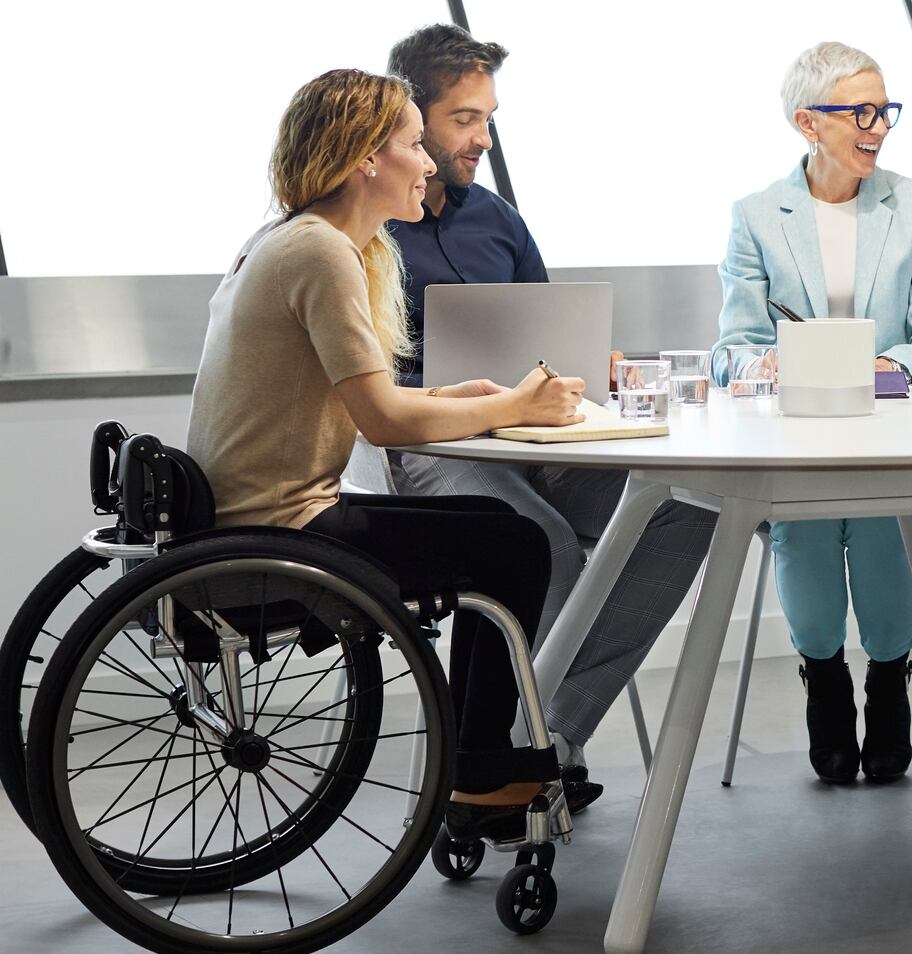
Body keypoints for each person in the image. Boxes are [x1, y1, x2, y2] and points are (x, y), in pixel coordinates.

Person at [186, 69, 584, 841]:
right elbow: (383, 420)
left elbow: (366, 405)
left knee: (492, 532)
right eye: (412, 145)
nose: (429, 163)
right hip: (283, 529)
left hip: (252, 516)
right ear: (367, 157)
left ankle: (477, 760)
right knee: (515, 543)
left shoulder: (287, 240)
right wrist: (515, 406)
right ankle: (479, 765)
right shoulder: (321, 252)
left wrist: (464, 399)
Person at [383, 24, 718, 810]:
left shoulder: (496, 217)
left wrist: (587, 369)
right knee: (539, 542)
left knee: (685, 507)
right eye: (465, 118)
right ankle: (491, 756)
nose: (483, 137)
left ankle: (551, 734)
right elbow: (372, 390)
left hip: (532, 431)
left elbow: (545, 329)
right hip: (435, 441)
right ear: (412, 116)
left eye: (488, 118)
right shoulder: (366, 224)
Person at [713, 41, 912, 783]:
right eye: (858, 111)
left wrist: (892, 364)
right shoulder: (757, 215)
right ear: (806, 123)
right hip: (797, 430)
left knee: (886, 541)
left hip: (888, 426)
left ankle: (889, 682)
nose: (877, 126)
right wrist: (762, 363)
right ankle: (823, 677)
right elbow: (734, 344)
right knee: (807, 539)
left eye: (883, 109)